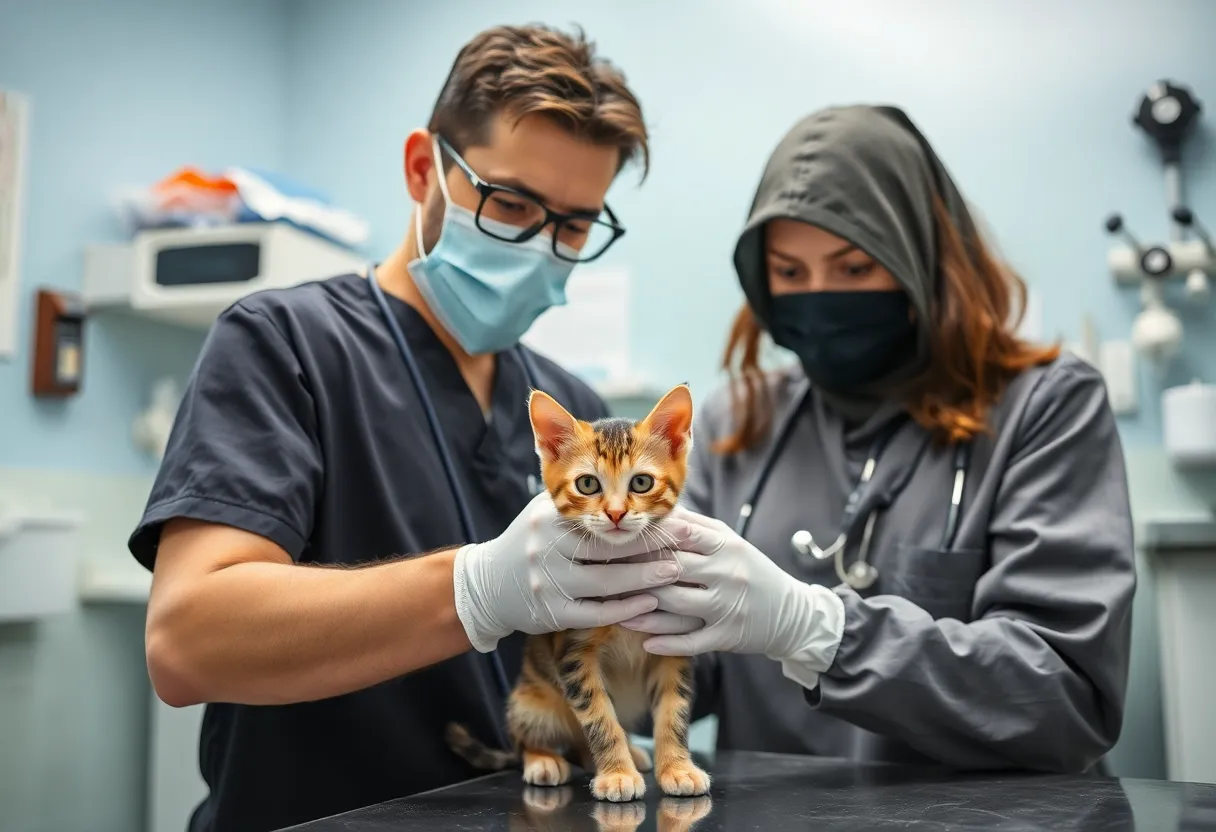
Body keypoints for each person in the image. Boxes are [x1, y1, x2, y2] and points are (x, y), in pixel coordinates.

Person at [127, 24, 685, 832]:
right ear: (425, 169)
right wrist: (476, 587)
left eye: (571, 227)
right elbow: (188, 642)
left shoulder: (566, 410)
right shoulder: (285, 345)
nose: (539, 247)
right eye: (511, 204)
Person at [619, 104, 1137, 774]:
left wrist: (820, 632)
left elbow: (1064, 694)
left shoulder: (1045, 406)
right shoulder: (737, 423)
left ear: (921, 257)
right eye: (790, 273)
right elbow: (688, 678)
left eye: (855, 268)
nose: (821, 296)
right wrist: (599, 635)